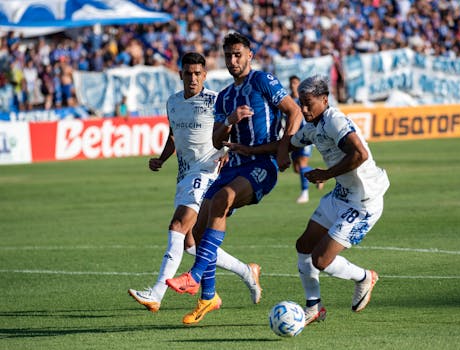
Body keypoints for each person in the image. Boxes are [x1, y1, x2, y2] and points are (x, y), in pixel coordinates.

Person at [165, 32, 303, 325]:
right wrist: (230, 120)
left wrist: (283, 148)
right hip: (232, 167)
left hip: (261, 165)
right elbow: (216, 141)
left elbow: (294, 112)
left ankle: (194, 276)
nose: (233, 60)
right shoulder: (226, 96)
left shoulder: (263, 81)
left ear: (250, 55)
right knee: (198, 233)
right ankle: (208, 298)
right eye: (228, 55)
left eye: (238, 54)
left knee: (224, 199)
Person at [128, 52, 262, 314]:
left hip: (208, 172)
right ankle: (247, 271)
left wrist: (229, 155)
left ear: (205, 75)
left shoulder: (215, 101)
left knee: (177, 225)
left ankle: (156, 294)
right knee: (192, 244)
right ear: (180, 74)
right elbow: (174, 135)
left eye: (197, 73)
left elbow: (234, 130)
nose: (192, 78)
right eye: (188, 73)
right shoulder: (173, 102)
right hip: (185, 174)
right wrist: (162, 159)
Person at [290, 75, 389, 325]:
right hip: (341, 195)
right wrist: (246, 149)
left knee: (321, 260)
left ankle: (365, 277)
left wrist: (325, 174)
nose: (303, 109)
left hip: (364, 201)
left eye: (308, 103)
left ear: (324, 100)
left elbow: (360, 154)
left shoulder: (334, 120)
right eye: (300, 103)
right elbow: (289, 143)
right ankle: (314, 308)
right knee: (304, 245)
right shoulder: (313, 125)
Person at [288, 75, 323, 204]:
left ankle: (304, 194)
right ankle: (318, 175)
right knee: (297, 168)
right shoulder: (288, 100)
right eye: (292, 83)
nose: (293, 85)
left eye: (296, 83)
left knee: (302, 164)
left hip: (305, 136)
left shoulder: (304, 99)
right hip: (292, 137)